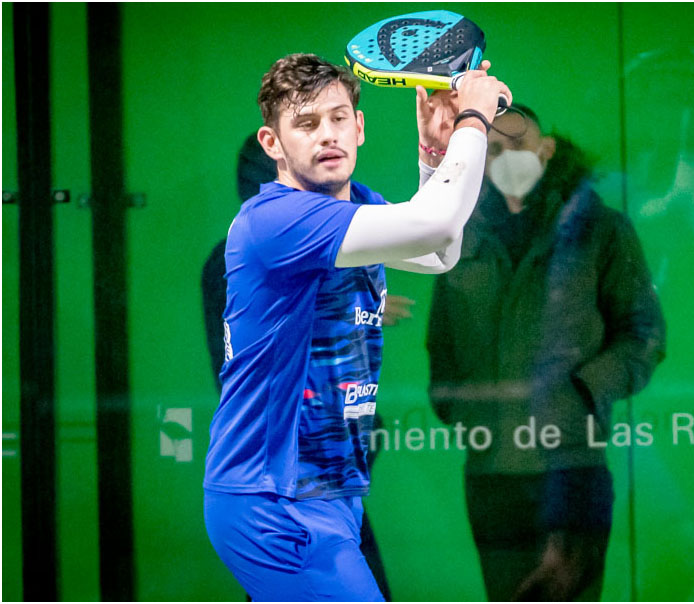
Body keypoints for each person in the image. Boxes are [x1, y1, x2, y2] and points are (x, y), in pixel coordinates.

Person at [202, 53, 510, 602]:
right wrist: (473, 119)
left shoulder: (355, 205)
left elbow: (439, 251)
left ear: (360, 126)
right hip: (273, 500)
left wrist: (435, 153)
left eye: (338, 118)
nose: (327, 134)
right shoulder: (275, 220)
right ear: (272, 143)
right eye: (306, 123)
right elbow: (435, 224)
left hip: (332, 493)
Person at [427, 104, 666, 601]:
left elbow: (644, 333)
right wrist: (461, 407)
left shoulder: (598, 229)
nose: (505, 157)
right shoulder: (461, 235)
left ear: (546, 149)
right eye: (492, 149)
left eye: (517, 143)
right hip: (492, 472)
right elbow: (442, 341)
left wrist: (584, 393)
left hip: (571, 468)